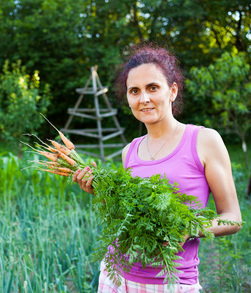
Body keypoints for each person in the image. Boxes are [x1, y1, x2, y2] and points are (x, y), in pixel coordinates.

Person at [72, 44, 242, 293]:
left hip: (172, 282)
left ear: (172, 91)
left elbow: (233, 218)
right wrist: (101, 191)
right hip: (115, 278)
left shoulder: (204, 140)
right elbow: (132, 215)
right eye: (134, 91)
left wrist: (189, 228)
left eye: (153, 87)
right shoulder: (129, 151)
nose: (144, 99)